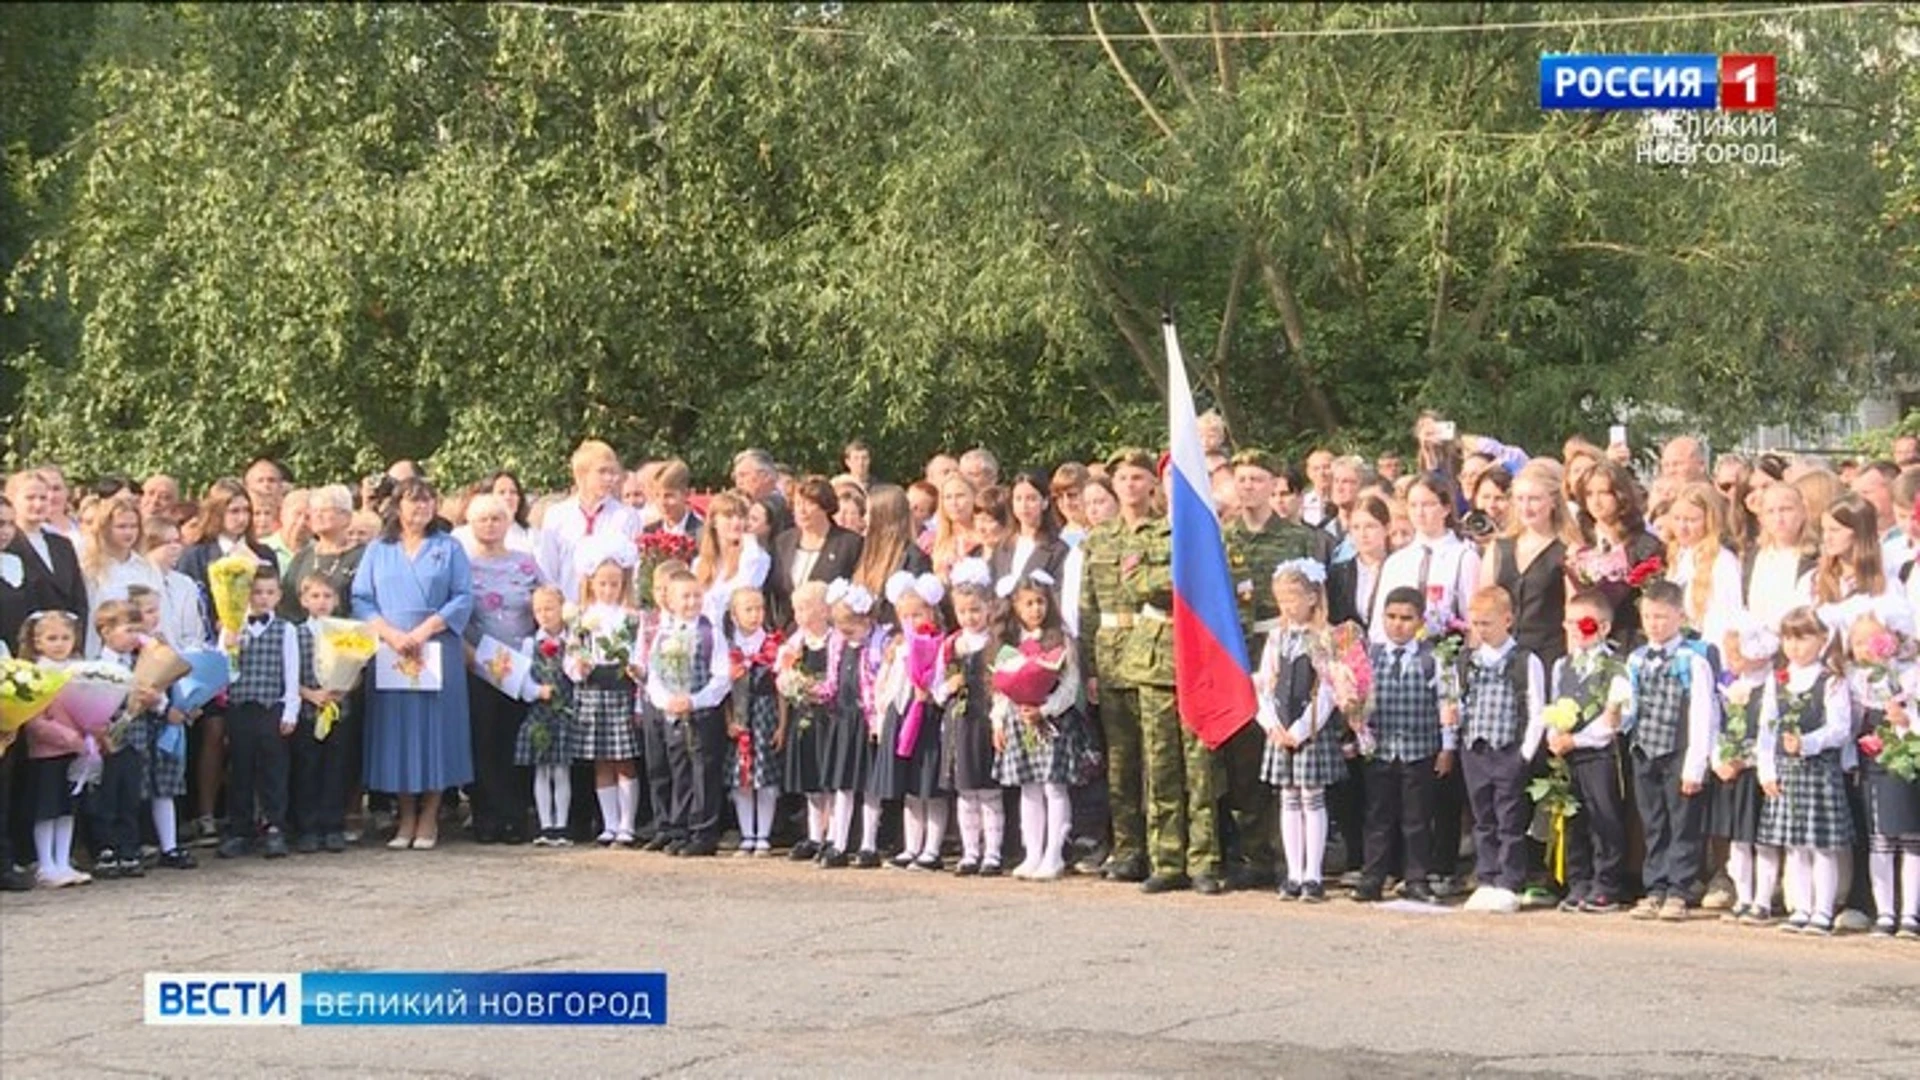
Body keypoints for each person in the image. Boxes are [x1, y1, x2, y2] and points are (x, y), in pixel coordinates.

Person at [1223, 449, 1329, 889]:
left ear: (1273, 485)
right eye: (1241, 479)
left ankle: (1303, 863)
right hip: (1237, 651)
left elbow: (1321, 600)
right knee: (1247, 759)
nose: (1248, 486)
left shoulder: (1298, 539)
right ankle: (1256, 853)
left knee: (1296, 756)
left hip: (1292, 648)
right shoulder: (1224, 538)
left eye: (1256, 478)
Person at [352, 478, 475, 851]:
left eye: (427, 502)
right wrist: (389, 633)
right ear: (398, 507)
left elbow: (462, 597)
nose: (419, 509)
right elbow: (361, 598)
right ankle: (405, 814)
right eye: (412, 502)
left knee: (435, 730)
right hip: (391, 649)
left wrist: (424, 631)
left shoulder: (449, 547)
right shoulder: (378, 548)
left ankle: (430, 814)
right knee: (399, 732)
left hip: (436, 645)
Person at [1123, 492, 1224, 896]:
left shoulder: (1211, 532)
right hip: (1156, 659)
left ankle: (1204, 861)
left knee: (1201, 770)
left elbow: (1220, 582)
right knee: (1160, 765)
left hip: (1200, 656)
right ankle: (1166, 860)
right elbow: (1134, 583)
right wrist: (1181, 576)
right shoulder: (1145, 533)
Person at [1075, 451, 1157, 883]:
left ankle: (1164, 849)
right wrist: (1088, 665)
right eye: (1122, 477)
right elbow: (1087, 607)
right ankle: (1128, 848)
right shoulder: (1097, 539)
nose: (1129, 484)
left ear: (1150, 484)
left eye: (1137, 476)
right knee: (1120, 760)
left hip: (1155, 652)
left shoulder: (1165, 532)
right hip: (1110, 656)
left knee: (1159, 760)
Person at [1255, 560, 1353, 902]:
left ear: (1313, 598)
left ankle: (1314, 874)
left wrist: (1300, 730)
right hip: (1280, 728)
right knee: (1288, 798)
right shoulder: (1276, 637)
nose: (1288, 606)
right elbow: (1264, 684)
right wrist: (1271, 724)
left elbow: (1328, 690)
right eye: (1282, 600)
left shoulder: (1325, 637)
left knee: (1312, 798)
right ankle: (1293, 872)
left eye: (1295, 598)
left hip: (1310, 729)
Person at [1756, 606, 1855, 936]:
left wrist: (1808, 743)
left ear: (1822, 639)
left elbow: (1840, 728)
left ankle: (1823, 910)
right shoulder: (1778, 679)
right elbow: (1766, 728)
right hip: (1787, 772)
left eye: (1802, 638)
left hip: (1819, 770)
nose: (1794, 646)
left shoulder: (1831, 680)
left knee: (1822, 847)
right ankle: (1801, 907)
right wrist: (1766, 771)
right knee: (1795, 845)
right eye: (1788, 638)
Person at [1447, 586, 1546, 914]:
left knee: (1509, 818)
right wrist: (1454, 722)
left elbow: (1536, 708)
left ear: (1507, 620)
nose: (1480, 630)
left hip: (1508, 750)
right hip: (1475, 749)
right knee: (1482, 817)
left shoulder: (1524, 661)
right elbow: (1460, 700)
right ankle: (1486, 876)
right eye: (1475, 623)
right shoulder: (1467, 661)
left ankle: (1509, 880)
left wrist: (1525, 754)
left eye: (1487, 623)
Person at [1624, 580, 1718, 921]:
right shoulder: (1635, 659)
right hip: (1645, 748)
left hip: (1678, 748)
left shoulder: (1693, 660)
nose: (1654, 624)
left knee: (1682, 821)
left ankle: (1679, 888)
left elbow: (1703, 713)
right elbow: (1629, 706)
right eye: (1648, 616)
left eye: (1662, 617)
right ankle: (1655, 887)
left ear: (1680, 616)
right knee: (1653, 821)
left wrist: (1696, 763)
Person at [1352, 587, 1449, 904]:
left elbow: (1447, 704)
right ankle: (1373, 876)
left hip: (1419, 749)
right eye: (1391, 617)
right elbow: (1358, 703)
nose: (1398, 625)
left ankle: (1416, 877)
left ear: (1420, 621)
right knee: (1377, 816)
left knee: (1417, 818)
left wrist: (1447, 748)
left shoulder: (1433, 659)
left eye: (1406, 619)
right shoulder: (1370, 656)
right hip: (1379, 749)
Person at [991, 571, 1085, 881]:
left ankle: (1054, 853)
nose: (1035, 609)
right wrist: (999, 720)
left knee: (1053, 786)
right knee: (1028, 788)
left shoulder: (1060, 639)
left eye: (1040, 602)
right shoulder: (1010, 642)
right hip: (1019, 719)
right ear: (1015, 607)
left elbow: (1070, 686)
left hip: (1051, 720)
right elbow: (1002, 686)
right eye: (1028, 603)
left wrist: (1044, 709)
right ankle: (1032, 852)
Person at [462, 493, 544, 845]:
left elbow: (546, 604)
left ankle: (514, 816)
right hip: (477, 664)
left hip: (521, 667)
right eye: (482, 519)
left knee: (516, 740)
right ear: (470, 524)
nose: (490, 525)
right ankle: (486, 815)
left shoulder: (526, 564)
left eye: (496, 518)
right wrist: (469, 656)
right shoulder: (461, 565)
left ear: (508, 522)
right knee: (483, 740)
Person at [1546, 591, 1633, 914]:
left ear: (1604, 627)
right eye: (1569, 624)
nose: (1575, 631)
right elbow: (1555, 703)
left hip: (1599, 754)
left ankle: (1606, 883)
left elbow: (1617, 719)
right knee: (1573, 816)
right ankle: (1578, 880)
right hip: (1567, 754)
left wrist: (1578, 739)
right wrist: (1554, 734)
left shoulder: (1617, 667)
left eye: (1583, 624)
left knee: (1604, 817)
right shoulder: (1562, 665)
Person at [647, 567, 734, 858]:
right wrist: (666, 701)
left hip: (702, 714)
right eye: (685, 597)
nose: (692, 602)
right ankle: (679, 828)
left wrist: (695, 700)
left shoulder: (711, 634)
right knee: (679, 771)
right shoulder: (663, 634)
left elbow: (721, 678)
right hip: (673, 714)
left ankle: (704, 831)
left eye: (697, 595)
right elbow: (654, 676)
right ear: (670, 601)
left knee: (703, 772)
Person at [217, 564, 300, 860]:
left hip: (271, 707)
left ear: (279, 596)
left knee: (273, 769)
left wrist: (290, 710)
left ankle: (274, 825)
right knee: (240, 769)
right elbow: (224, 674)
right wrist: (229, 649)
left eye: (269, 592)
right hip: (240, 707)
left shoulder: (285, 629)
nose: (263, 598)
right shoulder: (232, 626)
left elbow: (291, 673)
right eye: (256, 592)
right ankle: (240, 829)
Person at [868, 572, 949, 871]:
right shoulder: (898, 645)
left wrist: (930, 693)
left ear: (932, 611)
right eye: (905, 615)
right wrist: (880, 715)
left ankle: (932, 848)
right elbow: (885, 683)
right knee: (911, 789)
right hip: (901, 716)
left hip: (928, 715)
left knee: (929, 784)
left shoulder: (939, 643)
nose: (912, 620)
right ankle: (911, 845)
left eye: (918, 613)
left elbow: (941, 677)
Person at [566, 536, 643, 847]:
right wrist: (577, 668)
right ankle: (609, 823)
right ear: (592, 584)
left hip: (620, 689)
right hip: (592, 691)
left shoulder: (631, 618)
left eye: (614, 584)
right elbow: (571, 655)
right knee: (601, 760)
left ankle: (627, 823)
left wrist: (635, 671)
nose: (608, 590)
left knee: (623, 758)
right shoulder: (582, 618)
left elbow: (638, 653)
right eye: (603, 584)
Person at [1847, 616, 1920, 937]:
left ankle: (1910, 913)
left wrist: (1905, 721)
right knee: (1881, 839)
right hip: (1873, 761)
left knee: (1910, 838)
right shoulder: (1854, 680)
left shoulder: (1910, 674)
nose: (1866, 649)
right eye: (1858, 642)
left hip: (1908, 760)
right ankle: (1885, 912)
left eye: (1873, 640)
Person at [936, 559, 1003, 875]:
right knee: (965, 791)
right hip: (960, 721)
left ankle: (993, 852)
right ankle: (969, 851)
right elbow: (936, 688)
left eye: (976, 610)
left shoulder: (996, 642)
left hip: (986, 720)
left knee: (989, 790)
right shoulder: (951, 644)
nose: (970, 617)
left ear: (989, 608)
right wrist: (949, 687)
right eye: (963, 612)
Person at [88, 601, 164, 879]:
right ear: (105, 631)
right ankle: (106, 848)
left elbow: (160, 703)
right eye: (127, 629)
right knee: (106, 795)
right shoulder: (96, 665)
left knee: (131, 796)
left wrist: (154, 700)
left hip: (136, 740)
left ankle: (129, 848)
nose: (134, 636)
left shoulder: (142, 664)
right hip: (106, 743)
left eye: (137, 630)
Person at [1710, 618, 1778, 924]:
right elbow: (1716, 725)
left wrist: (1745, 760)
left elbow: (1769, 733)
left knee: (1761, 839)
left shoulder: (1771, 686)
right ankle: (1744, 895)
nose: (1731, 662)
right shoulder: (1728, 684)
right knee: (1738, 840)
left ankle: (1762, 900)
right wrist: (1718, 760)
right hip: (1730, 771)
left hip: (1756, 772)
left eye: (1737, 655)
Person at [1483, 462, 1577, 674]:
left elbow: (1573, 612)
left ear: (1553, 501)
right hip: (1502, 657)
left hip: (1549, 657)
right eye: (1520, 499)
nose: (1526, 507)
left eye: (1534, 499)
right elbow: (1484, 605)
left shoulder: (1568, 549)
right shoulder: (1498, 547)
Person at [21, 611, 90, 886]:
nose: (60, 644)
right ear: (38, 642)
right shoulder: (35, 674)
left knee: (67, 809)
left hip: (75, 752)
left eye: (65, 637)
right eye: (52, 638)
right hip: (47, 753)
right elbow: (35, 721)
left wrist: (91, 733)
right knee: (47, 809)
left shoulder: (79, 670)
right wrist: (68, 737)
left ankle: (63, 861)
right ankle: (46, 864)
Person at [1371, 473, 1478, 641]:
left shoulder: (1464, 557)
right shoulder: (1396, 561)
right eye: (1413, 505)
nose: (1419, 513)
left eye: (1428, 505)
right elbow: (1379, 622)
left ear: (1446, 508)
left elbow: (1473, 619)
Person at [815, 581, 876, 868]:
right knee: (843, 785)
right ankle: (838, 842)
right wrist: (810, 690)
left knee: (869, 785)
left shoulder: (875, 646)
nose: (844, 630)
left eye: (850, 623)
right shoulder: (838, 644)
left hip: (866, 721)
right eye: (839, 624)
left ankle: (868, 844)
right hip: (843, 719)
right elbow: (832, 682)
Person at [290, 574, 352, 854]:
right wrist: (310, 694)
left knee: (336, 767)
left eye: (327, 596)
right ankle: (307, 827)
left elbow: (356, 669)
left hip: (338, 709)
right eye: (315, 596)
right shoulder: (296, 633)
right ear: (303, 601)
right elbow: (288, 674)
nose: (322, 602)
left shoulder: (346, 633)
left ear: (337, 600)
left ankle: (333, 825)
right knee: (307, 767)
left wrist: (342, 688)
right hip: (307, 710)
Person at [538, 440, 642, 603]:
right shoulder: (556, 516)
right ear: (581, 474)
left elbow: (633, 570)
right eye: (602, 472)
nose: (610, 478)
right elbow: (547, 570)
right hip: (568, 610)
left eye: (612, 472)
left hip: (612, 613)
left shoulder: (626, 516)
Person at [778, 581, 838, 861]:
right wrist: (793, 685)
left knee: (830, 778)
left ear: (824, 610)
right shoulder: (797, 642)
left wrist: (819, 688)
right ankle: (814, 835)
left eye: (805, 608)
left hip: (830, 716)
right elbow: (783, 673)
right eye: (797, 609)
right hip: (806, 716)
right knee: (812, 780)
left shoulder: (834, 640)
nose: (800, 615)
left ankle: (835, 834)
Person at [723, 586, 783, 857]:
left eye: (759, 608)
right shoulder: (729, 647)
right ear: (734, 615)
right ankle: (747, 833)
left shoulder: (773, 645)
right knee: (742, 778)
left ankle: (764, 834)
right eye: (748, 609)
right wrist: (728, 720)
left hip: (765, 712)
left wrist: (782, 724)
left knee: (765, 776)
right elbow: (723, 690)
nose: (756, 614)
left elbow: (783, 687)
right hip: (739, 715)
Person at [516, 586, 576, 847]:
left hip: (563, 712)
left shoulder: (572, 641)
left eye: (549, 608)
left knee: (561, 771)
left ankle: (561, 825)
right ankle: (545, 824)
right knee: (542, 770)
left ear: (562, 609)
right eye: (538, 610)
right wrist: (536, 691)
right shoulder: (531, 644)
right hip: (540, 712)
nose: (544, 615)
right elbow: (521, 679)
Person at [767, 477, 863, 630]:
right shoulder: (782, 542)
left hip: (831, 633)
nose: (802, 511)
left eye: (810, 504)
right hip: (788, 634)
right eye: (798, 504)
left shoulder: (850, 544)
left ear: (826, 507)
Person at [6, 471, 87, 649]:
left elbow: (78, 598)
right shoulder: (8, 546)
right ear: (13, 500)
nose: (39, 504)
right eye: (30, 498)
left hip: (65, 647)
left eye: (43, 498)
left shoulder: (62, 545)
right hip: (25, 648)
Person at [1664, 482, 1742, 650]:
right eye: (1677, 519)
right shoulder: (1680, 556)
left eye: (1691, 520)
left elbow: (1727, 620)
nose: (1682, 527)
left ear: (1710, 521)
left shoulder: (1723, 563)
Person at [80, 493, 159, 656]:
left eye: (133, 526)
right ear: (105, 528)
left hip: (141, 651)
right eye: (121, 527)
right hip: (100, 649)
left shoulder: (146, 567)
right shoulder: (91, 568)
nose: (129, 532)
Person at [279, 485, 364, 620]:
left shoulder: (364, 557)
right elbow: (286, 605)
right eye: (314, 511)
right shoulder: (303, 557)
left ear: (346, 517)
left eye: (325, 510)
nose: (318, 515)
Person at [1742, 482, 1815, 632]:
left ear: (1803, 512)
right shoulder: (1754, 556)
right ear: (1761, 518)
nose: (1779, 518)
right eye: (1770, 511)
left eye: (1786, 509)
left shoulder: (1815, 558)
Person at [694, 491, 773, 630]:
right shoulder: (699, 563)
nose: (736, 522)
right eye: (729, 516)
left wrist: (749, 540)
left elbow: (742, 595)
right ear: (714, 521)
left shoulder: (754, 557)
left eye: (741, 517)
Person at [990, 471, 1068, 595]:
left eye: (1031, 499)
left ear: (1045, 502)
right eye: (1018, 499)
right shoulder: (1003, 546)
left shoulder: (1058, 549)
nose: (1024, 505)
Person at [644, 459, 704, 541]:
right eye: (657, 496)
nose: (662, 503)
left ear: (685, 494)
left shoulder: (701, 532)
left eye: (669, 496)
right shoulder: (650, 533)